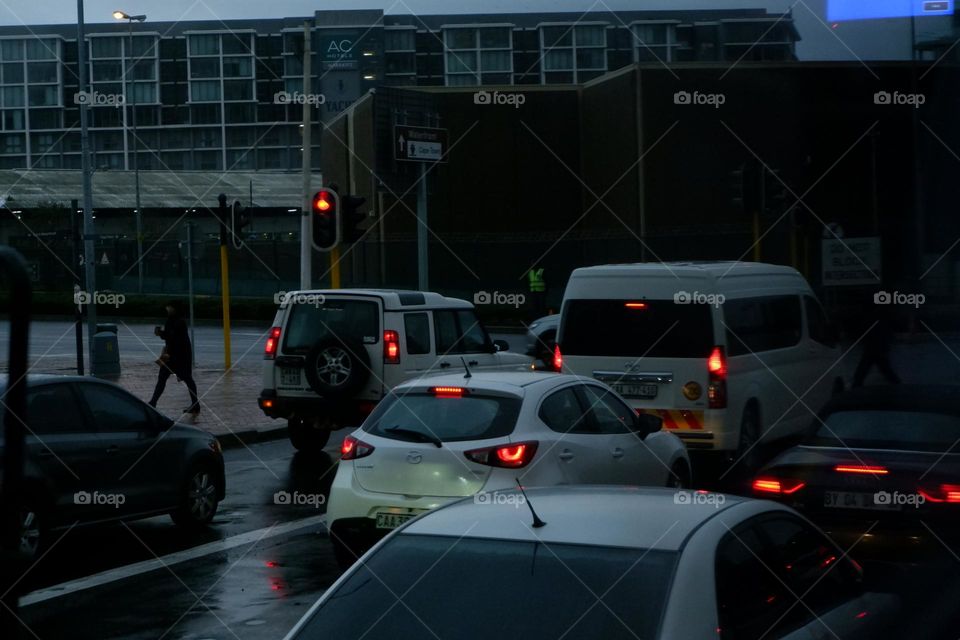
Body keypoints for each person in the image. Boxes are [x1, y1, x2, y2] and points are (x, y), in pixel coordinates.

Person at [149, 301, 200, 414]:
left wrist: (161, 333)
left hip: (181, 356)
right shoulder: (170, 320)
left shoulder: (180, 322)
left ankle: (196, 405)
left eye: (170, 307)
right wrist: (161, 334)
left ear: (175, 309)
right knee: (162, 377)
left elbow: (173, 336)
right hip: (171, 355)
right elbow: (169, 336)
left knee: (187, 378)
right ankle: (153, 402)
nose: (167, 309)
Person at [852, 295, 900, 388]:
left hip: (874, 347)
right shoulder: (880, 315)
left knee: (865, 370)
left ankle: (855, 388)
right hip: (877, 346)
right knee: (883, 369)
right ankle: (898, 385)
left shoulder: (873, 316)